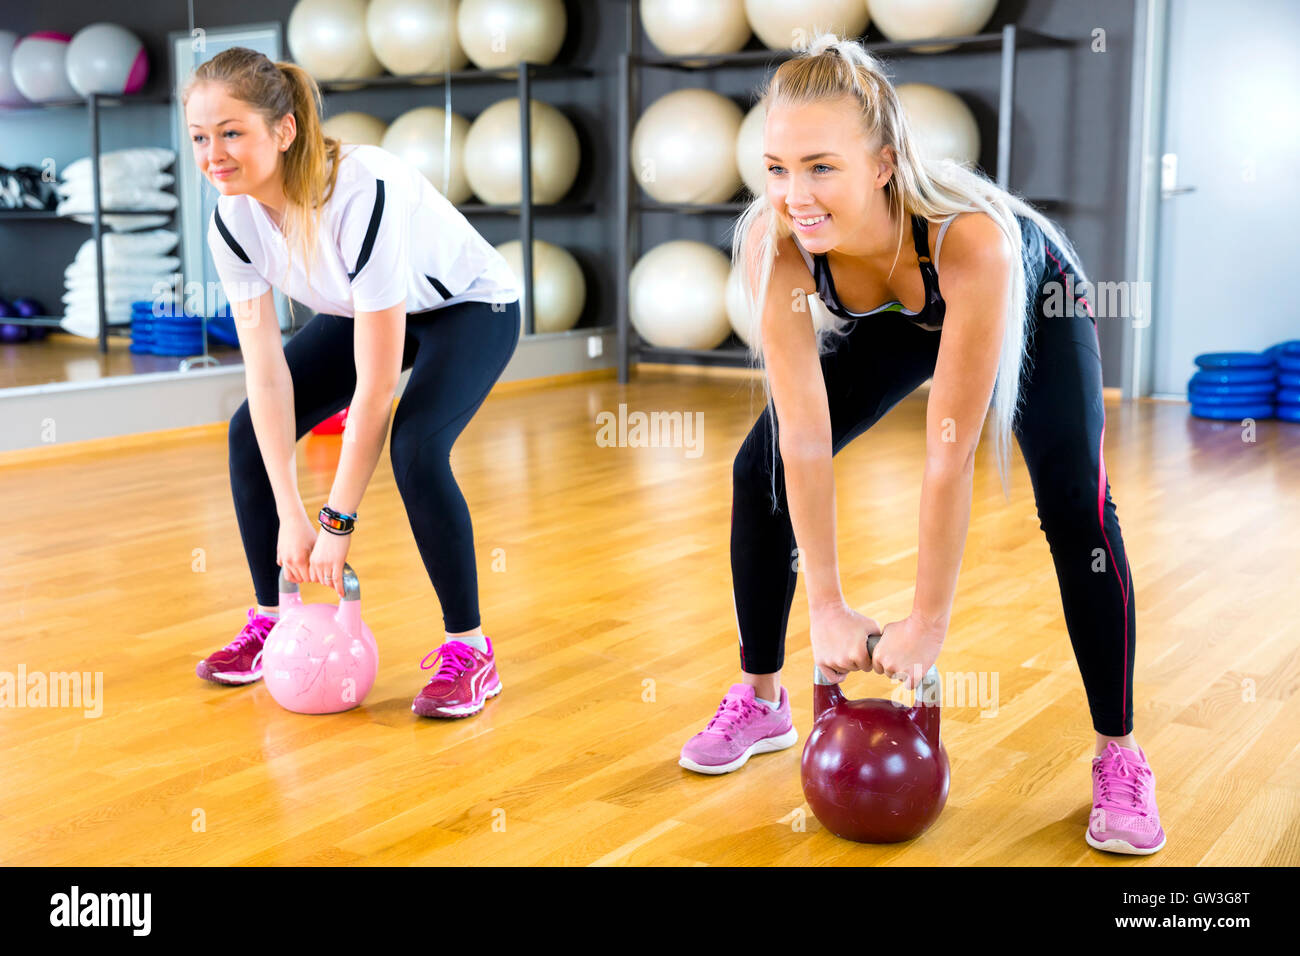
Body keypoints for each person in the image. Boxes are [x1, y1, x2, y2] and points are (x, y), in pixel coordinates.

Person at [678, 35, 1164, 855]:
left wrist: (926, 624)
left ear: (882, 163)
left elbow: (948, 451)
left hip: (1026, 297)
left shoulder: (975, 241)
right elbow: (802, 434)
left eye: (821, 166)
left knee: (1076, 506)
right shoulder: (779, 240)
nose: (794, 194)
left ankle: (1120, 754)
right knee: (757, 465)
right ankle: (761, 697)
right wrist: (826, 606)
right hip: (903, 313)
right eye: (776, 167)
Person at [187, 47, 519, 719]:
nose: (213, 154)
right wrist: (290, 515)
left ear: (282, 132)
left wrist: (336, 524)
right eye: (200, 136)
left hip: (468, 309)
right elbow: (267, 371)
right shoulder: (233, 218)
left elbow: (374, 390)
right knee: (249, 431)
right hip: (360, 310)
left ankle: (470, 650)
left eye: (231, 133)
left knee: (418, 449)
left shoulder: (359, 190)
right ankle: (271, 617)